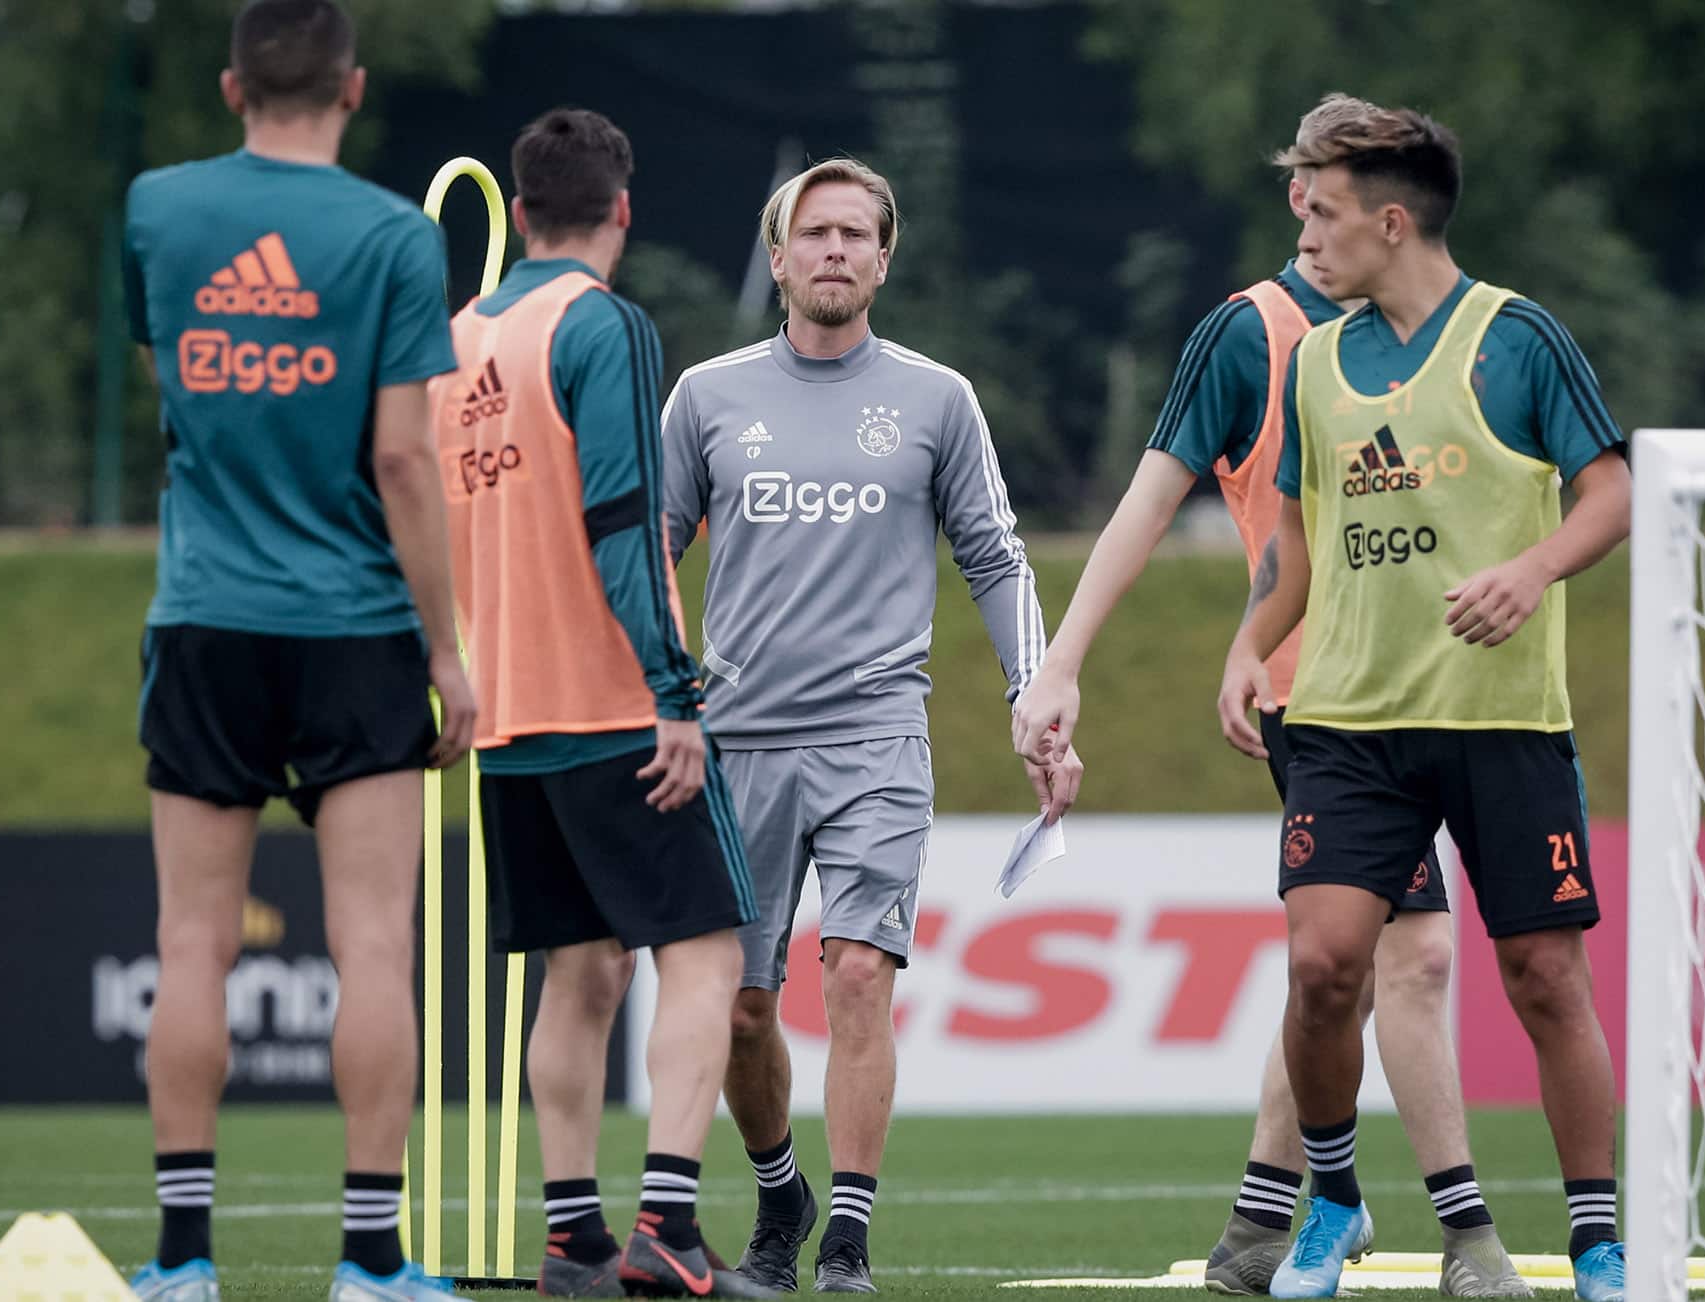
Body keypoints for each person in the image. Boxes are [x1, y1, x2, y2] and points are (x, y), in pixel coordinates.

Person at [1011, 96, 1529, 1299]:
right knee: (1413, 958)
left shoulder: (1451, 326)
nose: (1305, 201)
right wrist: (1062, 661)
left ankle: (1264, 1216)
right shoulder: (1252, 331)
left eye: (1329, 182)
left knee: (1328, 963)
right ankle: (1466, 1238)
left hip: (1450, 695)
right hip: (1323, 698)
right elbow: (1146, 501)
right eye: (1297, 179)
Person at [1201, 98, 1631, 1301]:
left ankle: (1596, 1240)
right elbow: (1295, 537)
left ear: (1392, 222)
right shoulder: (1320, 362)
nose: (1307, 234)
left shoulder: (1515, 338)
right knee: (1323, 965)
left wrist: (1531, 566)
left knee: (1545, 977)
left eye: (1326, 213)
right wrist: (1247, 647)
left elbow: (1611, 492)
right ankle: (1332, 1201)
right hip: (1349, 725)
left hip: (1502, 722)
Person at [660, 157, 1081, 1295]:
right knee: (745, 1010)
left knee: (854, 972)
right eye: (815, 233)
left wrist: (1031, 695)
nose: (836, 250)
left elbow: (994, 554)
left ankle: (843, 1241)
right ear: (779, 253)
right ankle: (779, 1189)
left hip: (876, 737)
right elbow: (647, 551)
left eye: (857, 234)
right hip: (737, 742)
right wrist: (655, 697)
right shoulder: (705, 396)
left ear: (884, 260)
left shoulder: (938, 399)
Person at [121, 2, 472, 1298]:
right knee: (372, 948)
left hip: (204, 617)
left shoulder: (158, 208)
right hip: (355, 630)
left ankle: (182, 1260)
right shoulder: (393, 237)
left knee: (190, 942)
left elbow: (173, 374)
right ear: (355, 86)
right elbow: (400, 455)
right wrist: (452, 651)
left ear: (229, 87)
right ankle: (371, 1263)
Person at [430, 107, 774, 1300]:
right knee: (707, 953)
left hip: (504, 714)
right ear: (622, 210)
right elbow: (623, 523)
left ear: (520, 213)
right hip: (615, 708)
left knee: (578, 973)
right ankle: (665, 1224)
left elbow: (410, 526)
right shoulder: (603, 325)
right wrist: (674, 695)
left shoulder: (455, 334)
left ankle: (571, 1232)